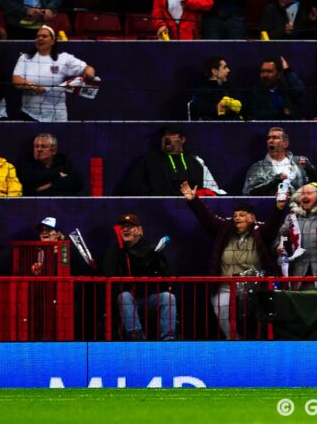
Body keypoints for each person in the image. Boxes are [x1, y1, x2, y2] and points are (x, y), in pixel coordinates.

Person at [181, 181, 289, 340]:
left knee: (255, 316)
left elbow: (273, 225)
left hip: (253, 286)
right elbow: (207, 218)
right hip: (225, 285)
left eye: (242, 215)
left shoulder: (261, 232)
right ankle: (234, 342)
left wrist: (278, 207)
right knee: (222, 313)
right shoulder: (224, 230)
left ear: (252, 218)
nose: (237, 218)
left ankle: (257, 343)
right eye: (235, 215)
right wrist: (193, 201)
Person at [101, 213, 176, 341]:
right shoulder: (115, 251)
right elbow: (107, 276)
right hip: (128, 302)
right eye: (123, 227)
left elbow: (167, 275)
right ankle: (136, 336)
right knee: (124, 296)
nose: (125, 229)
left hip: (149, 300)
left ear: (140, 231)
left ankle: (168, 338)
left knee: (168, 298)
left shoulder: (152, 250)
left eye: (130, 227)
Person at [12, 26, 97, 122]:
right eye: (38, 36)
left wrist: (89, 73)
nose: (40, 38)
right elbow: (16, 80)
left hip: (56, 115)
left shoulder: (64, 58)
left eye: (44, 36)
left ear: (52, 41)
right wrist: (34, 87)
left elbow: (88, 68)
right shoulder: (25, 58)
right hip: (30, 114)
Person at [121, 126, 221, 195]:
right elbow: (131, 189)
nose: (167, 138)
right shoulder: (148, 161)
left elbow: (212, 189)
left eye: (172, 134)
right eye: (164, 135)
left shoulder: (196, 161)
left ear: (182, 139)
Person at [244, 127, 317, 196]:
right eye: (269, 138)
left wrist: (310, 170)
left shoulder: (301, 162)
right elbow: (249, 193)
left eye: (275, 138)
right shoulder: (257, 168)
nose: (270, 141)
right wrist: (275, 183)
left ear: (285, 144)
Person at [17, 134, 83, 197]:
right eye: (36, 146)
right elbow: (28, 185)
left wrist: (50, 184)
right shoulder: (27, 164)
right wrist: (58, 175)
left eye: (43, 147)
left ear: (54, 150)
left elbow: (77, 183)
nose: (39, 150)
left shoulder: (63, 162)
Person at [192, 56, 241, 121]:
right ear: (215, 71)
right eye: (224, 67)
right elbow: (201, 110)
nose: (228, 70)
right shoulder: (202, 91)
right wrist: (219, 107)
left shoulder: (230, 87)